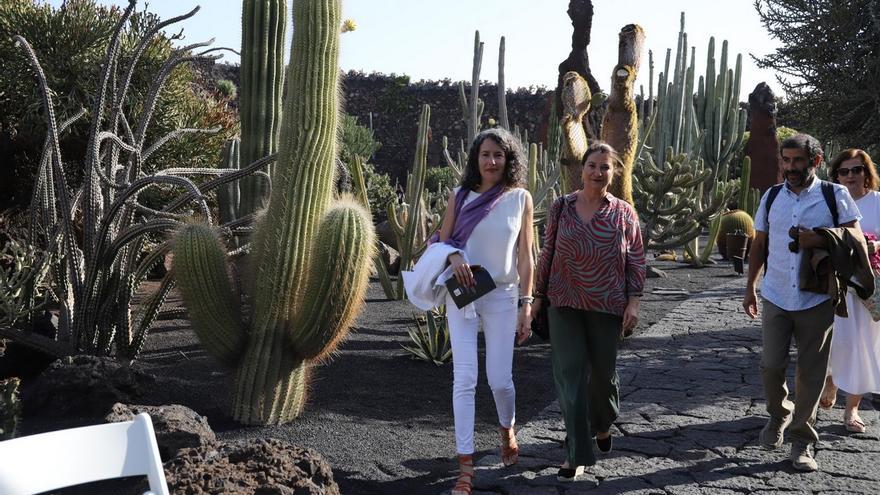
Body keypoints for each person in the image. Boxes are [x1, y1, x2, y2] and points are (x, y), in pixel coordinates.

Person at [743, 134, 862, 472]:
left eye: (798, 161)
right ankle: (780, 412)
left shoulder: (833, 194)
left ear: (816, 160)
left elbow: (855, 235)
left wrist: (820, 237)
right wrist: (750, 286)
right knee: (770, 366)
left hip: (817, 297)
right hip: (777, 294)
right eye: (787, 161)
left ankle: (801, 441)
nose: (791, 167)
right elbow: (759, 243)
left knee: (811, 373)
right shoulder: (771, 197)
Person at [532, 141, 646, 482]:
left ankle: (602, 422)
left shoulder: (624, 212)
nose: (598, 172)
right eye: (592, 165)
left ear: (615, 172)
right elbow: (548, 249)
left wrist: (634, 300)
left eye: (605, 167)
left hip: (607, 304)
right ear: (581, 169)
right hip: (563, 301)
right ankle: (576, 453)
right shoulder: (561, 207)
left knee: (603, 378)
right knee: (569, 378)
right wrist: (538, 296)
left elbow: (637, 257)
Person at [436, 128, 534, 495]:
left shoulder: (519, 198)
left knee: (499, 380)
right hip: (463, 292)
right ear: (475, 158)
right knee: (464, 379)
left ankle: (506, 427)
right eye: (486, 154)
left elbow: (526, 256)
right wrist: (456, 254)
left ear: (509, 160)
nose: (492, 162)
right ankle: (466, 467)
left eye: (499, 155)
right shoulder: (459, 197)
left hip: (503, 295)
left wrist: (527, 304)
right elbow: (443, 242)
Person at [819, 149, 880, 434]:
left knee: (861, 344)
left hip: (867, 287)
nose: (851, 176)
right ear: (836, 176)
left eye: (857, 170)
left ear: (867, 172)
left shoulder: (878, 202)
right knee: (832, 340)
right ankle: (831, 377)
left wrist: (875, 245)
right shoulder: (829, 204)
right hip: (834, 283)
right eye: (844, 171)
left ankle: (852, 408)